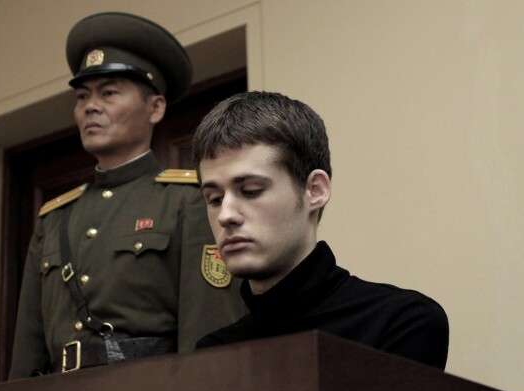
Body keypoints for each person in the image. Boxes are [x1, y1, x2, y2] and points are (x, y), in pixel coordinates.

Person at [9, 12, 244, 378]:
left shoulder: (189, 200)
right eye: (82, 95)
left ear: (155, 108)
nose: (90, 106)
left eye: (109, 92)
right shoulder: (54, 217)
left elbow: (208, 324)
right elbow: (28, 346)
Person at [192, 91, 449, 369]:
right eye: (215, 199)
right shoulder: (212, 353)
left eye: (251, 191)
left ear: (315, 190)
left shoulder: (401, 322)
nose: (226, 215)